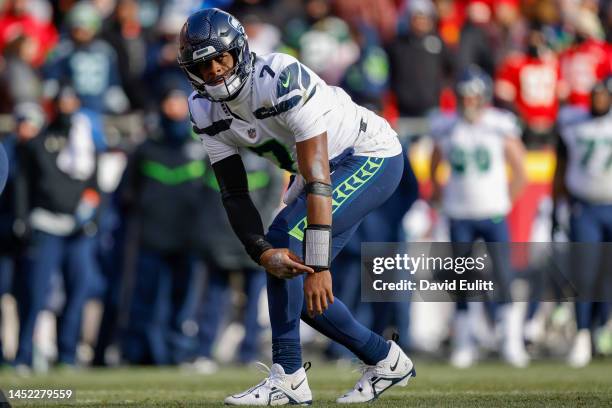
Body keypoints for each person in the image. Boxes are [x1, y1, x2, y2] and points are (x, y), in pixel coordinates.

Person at [178, 8, 415, 405]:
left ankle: (288, 376)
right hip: (317, 173)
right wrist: (261, 252)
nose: (216, 70)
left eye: (222, 57)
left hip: (368, 154)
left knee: (290, 244)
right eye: (203, 64)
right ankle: (386, 359)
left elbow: (320, 176)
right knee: (295, 280)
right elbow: (234, 192)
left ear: (241, 51)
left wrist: (319, 265)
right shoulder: (203, 109)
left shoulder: (280, 77)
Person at [429, 66, 528, 368]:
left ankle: (512, 341)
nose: (469, 102)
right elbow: (435, 162)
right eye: (464, 96)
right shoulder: (445, 125)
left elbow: (520, 167)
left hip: (493, 211)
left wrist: (505, 201)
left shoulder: (499, 124)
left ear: (483, 97)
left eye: (474, 96)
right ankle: (464, 342)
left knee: (503, 276)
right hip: (460, 213)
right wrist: (438, 193)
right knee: (461, 280)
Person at [553, 81, 612, 368]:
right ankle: (582, 334)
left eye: (604, 95)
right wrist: (557, 208)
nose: (599, 100)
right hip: (585, 206)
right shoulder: (573, 122)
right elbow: (560, 167)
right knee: (584, 275)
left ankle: (603, 330)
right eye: (595, 94)